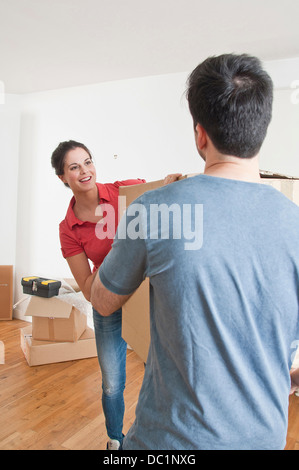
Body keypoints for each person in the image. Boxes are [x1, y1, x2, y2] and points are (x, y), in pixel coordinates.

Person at [91, 54, 299, 450]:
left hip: (169, 442)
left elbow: (102, 301)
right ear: (262, 129)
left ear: (200, 135)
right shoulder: (296, 222)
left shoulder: (155, 209)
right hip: (265, 439)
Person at [51, 140, 180, 449]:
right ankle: (116, 439)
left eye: (88, 162)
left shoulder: (125, 193)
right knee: (112, 383)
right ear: (62, 178)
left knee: (156, 372)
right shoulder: (69, 228)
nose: (85, 171)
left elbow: (158, 204)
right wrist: (124, 253)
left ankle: (156, 436)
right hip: (107, 302)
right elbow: (87, 287)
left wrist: (169, 187)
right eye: (74, 167)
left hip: (145, 295)